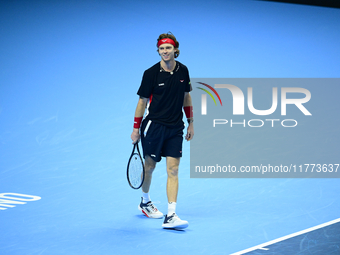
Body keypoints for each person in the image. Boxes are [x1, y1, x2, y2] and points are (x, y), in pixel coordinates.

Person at [130, 32, 194, 229]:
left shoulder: (183, 70)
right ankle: (145, 201)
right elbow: (142, 102)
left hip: (175, 127)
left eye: (168, 48)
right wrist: (135, 128)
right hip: (154, 126)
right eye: (161, 48)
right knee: (149, 167)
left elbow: (186, 97)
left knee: (173, 170)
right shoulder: (150, 74)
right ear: (158, 51)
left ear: (175, 50)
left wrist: (191, 121)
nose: (165, 51)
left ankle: (171, 214)